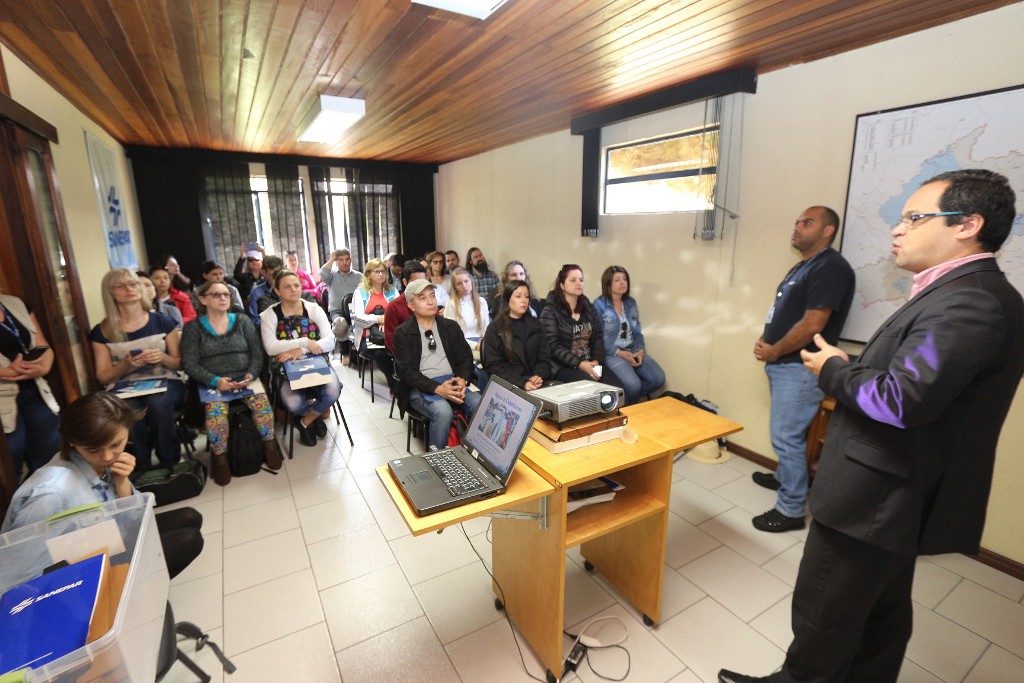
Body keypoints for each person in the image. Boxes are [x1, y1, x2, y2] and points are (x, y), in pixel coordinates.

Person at [719, 171, 1024, 683]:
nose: (896, 230)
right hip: (894, 499)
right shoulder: (961, 292)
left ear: (968, 224)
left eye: (913, 218)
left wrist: (834, 367)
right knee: (879, 615)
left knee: (825, 615)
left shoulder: (968, 302)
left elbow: (899, 399)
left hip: (876, 498)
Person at [1, 392, 203, 580]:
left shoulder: (97, 463)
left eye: (116, 444)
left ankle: (142, 582)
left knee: (190, 517)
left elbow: (134, 518)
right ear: (73, 442)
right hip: (81, 569)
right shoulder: (50, 493)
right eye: (93, 449)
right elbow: (16, 572)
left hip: (105, 542)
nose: (107, 456)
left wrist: (121, 481)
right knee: (189, 540)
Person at [750, 206, 855, 533]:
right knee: (788, 433)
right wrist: (765, 339)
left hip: (800, 366)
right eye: (796, 221)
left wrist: (775, 349)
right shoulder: (804, 266)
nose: (797, 227)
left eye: (807, 222)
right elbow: (784, 311)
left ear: (828, 230)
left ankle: (791, 509)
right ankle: (784, 477)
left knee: (786, 437)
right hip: (783, 363)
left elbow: (813, 323)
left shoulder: (830, 267)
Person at [181, 280, 281, 486]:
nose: (223, 298)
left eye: (226, 294)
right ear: (203, 299)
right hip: (214, 382)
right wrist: (216, 381)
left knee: (263, 408)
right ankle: (221, 460)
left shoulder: (242, 321)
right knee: (216, 416)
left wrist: (250, 375)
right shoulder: (193, 328)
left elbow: (257, 353)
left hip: (246, 378)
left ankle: (270, 446)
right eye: (216, 295)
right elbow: (189, 364)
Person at [90, 269, 186, 469]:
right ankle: (138, 469)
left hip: (165, 380)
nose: (129, 289)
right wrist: (125, 365)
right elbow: (103, 377)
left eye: (133, 284)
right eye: (121, 286)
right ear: (110, 293)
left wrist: (162, 357)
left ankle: (172, 464)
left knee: (158, 405)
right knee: (129, 414)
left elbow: (179, 363)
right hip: (124, 387)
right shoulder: (102, 332)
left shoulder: (163, 321)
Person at [393, 280, 481, 450]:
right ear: (411, 305)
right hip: (420, 386)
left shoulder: (450, 327)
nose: (431, 301)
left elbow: (465, 358)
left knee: (478, 404)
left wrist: (462, 379)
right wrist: (437, 388)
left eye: (432, 296)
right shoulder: (403, 333)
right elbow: (407, 372)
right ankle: (436, 460)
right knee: (443, 412)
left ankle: (475, 455)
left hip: (452, 380)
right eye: (423, 298)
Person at [260, 270, 341, 448]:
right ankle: (313, 418)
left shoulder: (313, 309)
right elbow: (270, 347)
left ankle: (305, 421)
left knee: (333, 391)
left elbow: (329, 341)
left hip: (317, 363)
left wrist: (301, 350)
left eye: (296, 285)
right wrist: (304, 342)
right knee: (293, 403)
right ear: (277, 291)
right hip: (287, 368)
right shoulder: (269, 315)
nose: (293, 290)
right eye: (287, 287)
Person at [0, 292, 60, 477]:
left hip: (35, 390)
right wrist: (8, 372)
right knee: (10, 464)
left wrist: (44, 366)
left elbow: (43, 346)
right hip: (3, 399)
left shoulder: (15, 303)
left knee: (51, 459)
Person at [539, 264, 624, 389]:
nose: (578, 283)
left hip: (590, 362)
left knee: (618, 390)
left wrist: (596, 361)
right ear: (562, 285)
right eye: (573, 280)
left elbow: (598, 338)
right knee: (595, 389)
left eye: (581, 280)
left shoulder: (589, 308)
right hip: (563, 366)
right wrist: (580, 364)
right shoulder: (550, 312)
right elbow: (553, 347)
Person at [593, 266, 666, 404]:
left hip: (632, 349)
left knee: (658, 378)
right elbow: (597, 337)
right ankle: (631, 407)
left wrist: (640, 350)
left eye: (625, 279)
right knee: (633, 386)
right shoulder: (598, 305)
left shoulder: (630, 303)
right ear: (608, 284)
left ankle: (626, 401)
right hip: (611, 353)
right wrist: (620, 353)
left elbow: (637, 332)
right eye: (617, 280)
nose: (623, 282)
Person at [482, 280, 552, 391]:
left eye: (526, 296)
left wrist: (539, 375)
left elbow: (545, 357)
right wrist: (522, 383)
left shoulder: (535, 324)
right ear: (507, 299)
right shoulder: (495, 328)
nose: (524, 300)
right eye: (518, 296)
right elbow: (494, 366)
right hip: (511, 384)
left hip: (536, 382)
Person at [352, 258, 399, 394]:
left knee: (404, 350)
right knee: (380, 354)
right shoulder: (360, 293)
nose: (381, 274)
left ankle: (406, 384)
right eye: (377, 271)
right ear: (368, 274)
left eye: (383, 271)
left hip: (390, 334)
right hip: (366, 338)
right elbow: (358, 318)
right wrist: (379, 319)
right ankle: (395, 387)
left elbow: (399, 314)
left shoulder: (393, 292)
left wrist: (387, 322)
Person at [319, 248, 362, 359]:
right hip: (337, 310)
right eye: (341, 260)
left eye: (347, 259)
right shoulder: (331, 277)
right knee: (340, 324)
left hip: (356, 310)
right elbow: (322, 273)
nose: (344, 262)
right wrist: (332, 258)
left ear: (350, 260)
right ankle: (345, 353)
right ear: (337, 262)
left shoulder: (359, 276)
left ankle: (359, 351)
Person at [384, 260, 429, 352]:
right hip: (406, 355)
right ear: (405, 282)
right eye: (415, 282)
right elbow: (390, 339)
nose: (420, 287)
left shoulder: (430, 302)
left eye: (423, 282)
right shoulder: (394, 307)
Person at [246, 254, 284, 327]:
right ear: (263, 273)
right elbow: (255, 320)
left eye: (280, 274)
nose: (277, 279)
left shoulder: (289, 289)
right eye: (273, 275)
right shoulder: (256, 292)